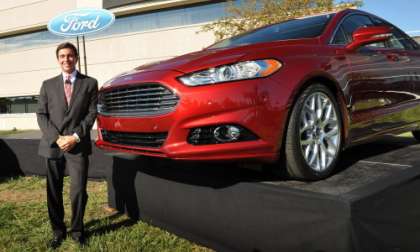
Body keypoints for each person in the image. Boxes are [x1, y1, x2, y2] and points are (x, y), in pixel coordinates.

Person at [36, 42, 98, 248]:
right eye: (62, 56)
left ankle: (78, 230)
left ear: (76, 57)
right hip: (53, 145)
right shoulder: (47, 84)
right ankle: (57, 231)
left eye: (70, 56)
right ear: (58, 59)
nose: (66, 59)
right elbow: (41, 115)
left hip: (77, 145)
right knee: (53, 190)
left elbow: (91, 114)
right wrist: (57, 137)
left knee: (78, 190)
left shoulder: (90, 83)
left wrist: (75, 137)